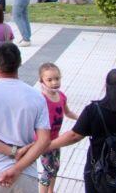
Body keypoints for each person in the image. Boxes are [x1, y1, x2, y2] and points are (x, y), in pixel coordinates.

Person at [40, 68, 116, 193]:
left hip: (99, 176)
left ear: (106, 87)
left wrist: (44, 146)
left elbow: (74, 135)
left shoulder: (94, 110)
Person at [0, 42, 51, 192]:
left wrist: (12, 151)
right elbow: (44, 140)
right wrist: (17, 168)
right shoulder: (37, 97)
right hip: (26, 174)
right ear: (19, 63)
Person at [34, 63, 78, 193]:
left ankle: (50, 190)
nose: (54, 82)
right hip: (42, 141)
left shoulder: (62, 96)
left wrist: (80, 119)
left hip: (56, 140)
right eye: (49, 80)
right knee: (48, 169)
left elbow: (68, 112)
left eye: (57, 78)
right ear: (41, 81)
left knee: (55, 166)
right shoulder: (41, 99)